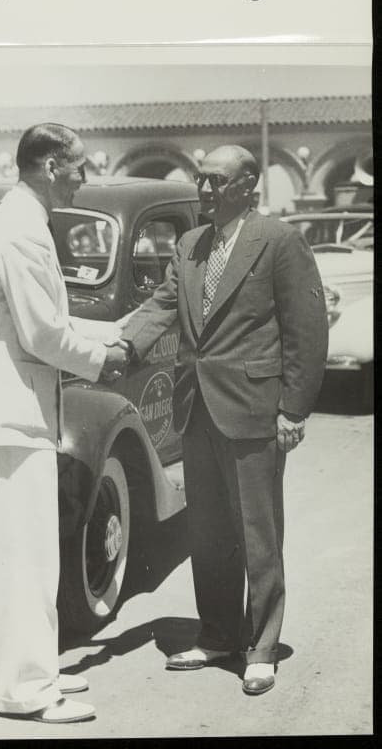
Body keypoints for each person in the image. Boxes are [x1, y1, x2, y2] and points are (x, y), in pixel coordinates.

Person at [120, 145, 328, 695]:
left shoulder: (279, 242)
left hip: (255, 410)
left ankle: (261, 646)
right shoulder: (191, 245)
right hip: (197, 408)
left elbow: (307, 331)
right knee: (207, 533)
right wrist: (118, 347)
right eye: (200, 179)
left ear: (248, 186)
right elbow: (162, 307)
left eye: (216, 180)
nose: (204, 190)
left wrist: (293, 408)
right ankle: (217, 634)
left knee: (257, 533)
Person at [0, 123, 128, 724]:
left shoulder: (19, 221)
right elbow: (43, 334)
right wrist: (104, 358)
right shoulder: (22, 230)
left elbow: (44, 320)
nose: (85, 176)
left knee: (30, 556)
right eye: (79, 166)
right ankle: (25, 691)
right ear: (52, 165)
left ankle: (37, 671)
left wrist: (108, 332)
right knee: (23, 558)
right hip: (13, 414)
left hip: (17, 411)